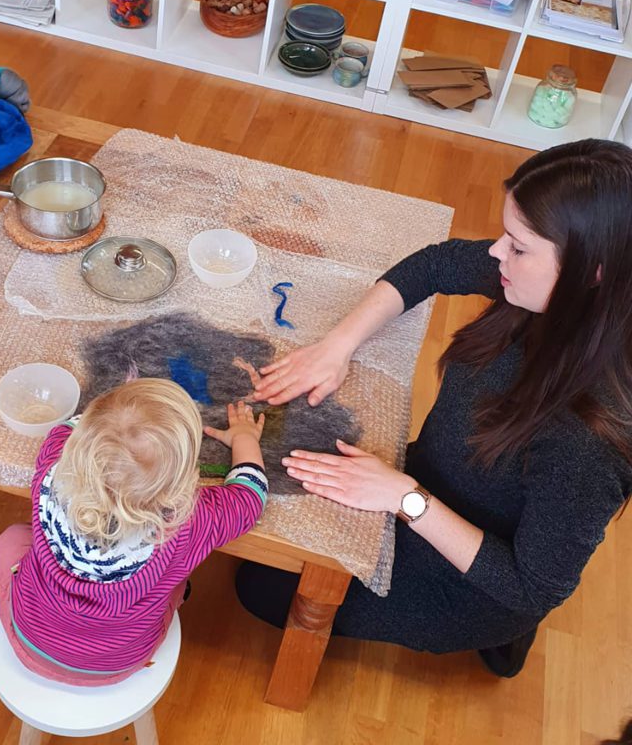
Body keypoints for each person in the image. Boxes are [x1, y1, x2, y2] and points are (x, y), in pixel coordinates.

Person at [236, 139, 632, 677]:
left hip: (469, 583)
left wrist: (405, 497)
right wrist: (336, 348)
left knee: (258, 583)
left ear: (594, 271)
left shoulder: (589, 441)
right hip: (435, 481)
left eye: (517, 247)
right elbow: (437, 264)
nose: (496, 254)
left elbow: (530, 589)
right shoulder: (551, 289)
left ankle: (501, 642)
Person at [0, 378, 268, 685]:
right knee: (173, 582)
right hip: (116, 663)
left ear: (79, 449)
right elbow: (250, 498)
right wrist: (244, 439)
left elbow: (62, 431)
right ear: (178, 486)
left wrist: (111, 415)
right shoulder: (184, 525)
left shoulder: (52, 471)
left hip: (29, 638)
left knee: (12, 538)